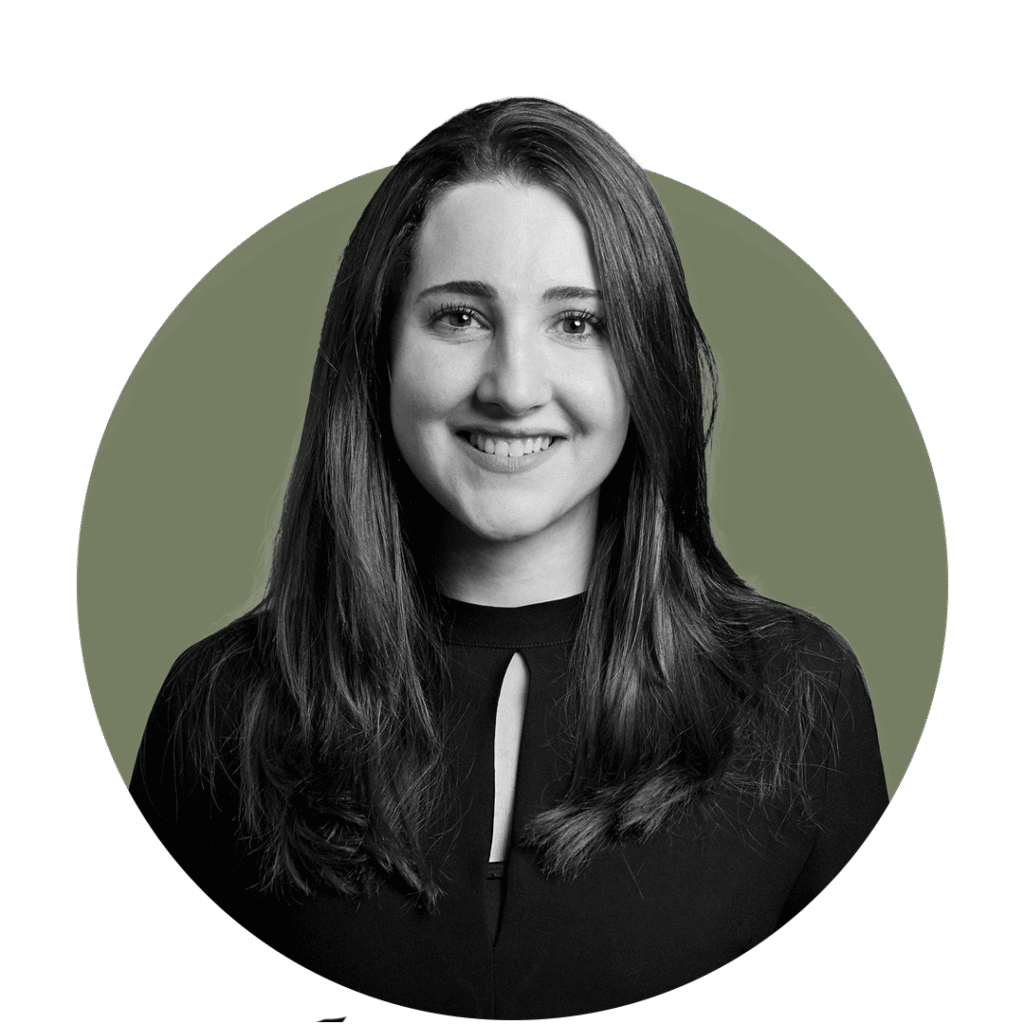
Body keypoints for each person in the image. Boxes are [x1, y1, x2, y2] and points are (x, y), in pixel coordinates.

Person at [129, 98, 888, 1019]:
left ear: (646, 362)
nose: (514, 387)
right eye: (459, 317)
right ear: (379, 350)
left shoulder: (800, 694)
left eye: (578, 324)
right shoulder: (220, 708)